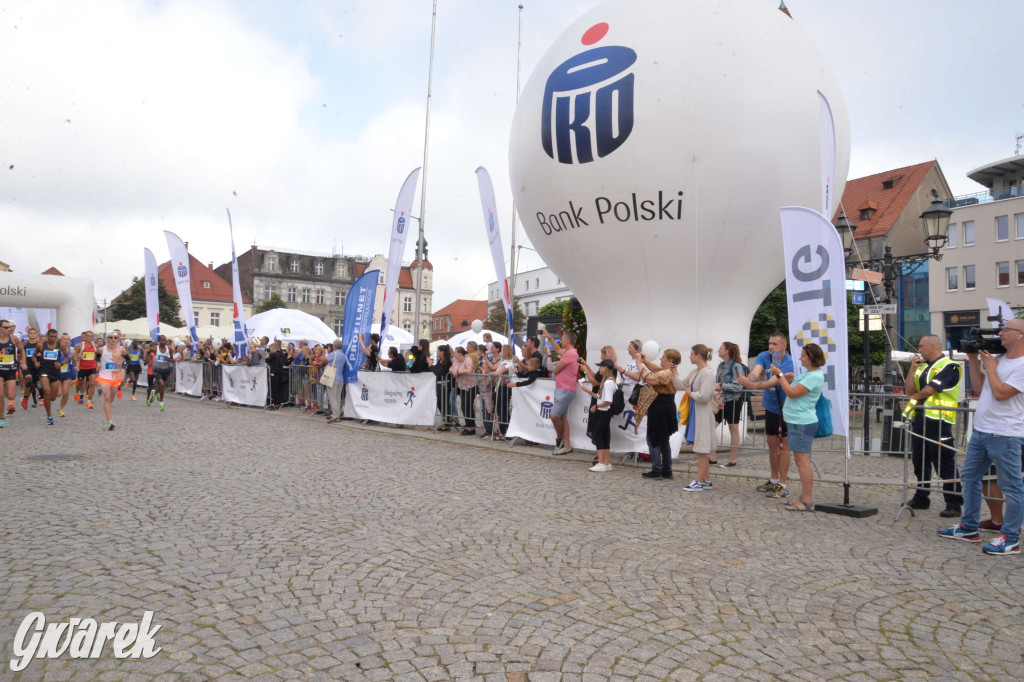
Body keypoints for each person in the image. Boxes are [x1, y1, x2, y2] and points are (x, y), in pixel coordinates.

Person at [938, 319, 1024, 555]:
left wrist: (992, 369)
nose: (1000, 333)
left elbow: (1002, 393)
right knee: (970, 476)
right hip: (982, 430)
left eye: (1006, 330)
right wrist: (974, 362)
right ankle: (969, 527)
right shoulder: (1000, 360)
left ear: (1021, 335)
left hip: (1005, 433)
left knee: (1012, 485)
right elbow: (980, 387)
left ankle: (1010, 537)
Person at [901, 334, 963, 517]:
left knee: (945, 462)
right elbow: (909, 389)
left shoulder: (949, 366)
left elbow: (929, 390)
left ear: (933, 345)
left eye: (921, 346)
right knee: (920, 460)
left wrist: (913, 398)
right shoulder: (924, 367)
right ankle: (922, 497)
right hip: (920, 418)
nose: (918, 350)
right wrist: (912, 369)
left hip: (939, 421)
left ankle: (953, 503)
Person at [738, 331, 794, 498]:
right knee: (771, 443)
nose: (770, 347)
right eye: (769, 343)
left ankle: (783, 483)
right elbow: (757, 371)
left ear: (784, 346)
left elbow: (773, 381)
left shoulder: (788, 363)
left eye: (775, 344)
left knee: (784, 443)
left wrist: (754, 386)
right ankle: (774, 479)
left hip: (786, 407)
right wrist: (750, 379)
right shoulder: (764, 355)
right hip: (771, 405)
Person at [771, 343, 826, 511]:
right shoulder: (808, 374)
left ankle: (807, 500)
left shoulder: (814, 376)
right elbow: (793, 388)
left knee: (803, 462)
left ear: (811, 357)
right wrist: (787, 379)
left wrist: (779, 375)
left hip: (802, 422)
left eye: (803, 355)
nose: (800, 358)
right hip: (796, 421)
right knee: (800, 460)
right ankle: (804, 497)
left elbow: (793, 393)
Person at [637, 349, 682, 479]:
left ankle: (656, 470)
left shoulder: (666, 374)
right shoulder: (670, 371)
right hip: (667, 406)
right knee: (663, 439)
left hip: (660, 408)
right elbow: (656, 368)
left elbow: (648, 378)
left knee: (653, 438)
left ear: (670, 360)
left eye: (663, 357)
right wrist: (645, 361)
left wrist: (639, 363)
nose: (660, 359)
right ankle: (667, 470)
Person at [681, 345, 716, 491]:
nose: (689, 356)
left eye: (691, 354)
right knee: (699, 448)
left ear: (698, 356)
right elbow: (682, 384)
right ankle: (706, 480)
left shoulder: (707, 373)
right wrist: (672, 372)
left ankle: (698, 480)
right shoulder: (695, 371)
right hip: (696, 413)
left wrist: (690, 394)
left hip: (702, 414)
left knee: (701, 450)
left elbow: (704, 396)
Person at [541, 329, 580, 456]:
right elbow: (558, 351)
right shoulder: (570, 353)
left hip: (565, 389)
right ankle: (566, 445)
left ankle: (559, 440)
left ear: (568, 341)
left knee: (554, 416)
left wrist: (554, 366)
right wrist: (549, 337)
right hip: (563, 389)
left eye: (562, 339)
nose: (561, 341)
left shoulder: (570, 354)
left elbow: (555, 370)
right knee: (562, 417)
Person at [714, 342, 747, 468]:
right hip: (720, 402)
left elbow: (738, 385)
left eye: (721, 348)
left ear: (727, 351)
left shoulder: (736, 366)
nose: (718, 350)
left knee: (733, 429)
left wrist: (722, 386)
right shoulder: (720, 366)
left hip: (733, 401)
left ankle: (732, 460)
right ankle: (711, 457)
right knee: (711, 427)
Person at [582, 359, 617, 472]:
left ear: (606, 368)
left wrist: (596, 406)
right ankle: (606, 462)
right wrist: (587, 391)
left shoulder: (607, 383)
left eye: (601, 367)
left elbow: (608, 401)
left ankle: (601, 462)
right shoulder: (609, 381)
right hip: (605, 412)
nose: (599, 369)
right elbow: (600, 397)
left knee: (598, 435)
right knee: (604, 436)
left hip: (604, 412)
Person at [1, 319, 29, 426]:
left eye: (10, 327)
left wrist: (23, 362)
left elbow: (22, 350)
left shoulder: (13, 338)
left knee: (10, 395)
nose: (9, 329)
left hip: (11, 369)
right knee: (0, 394)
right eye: (6, 327)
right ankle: (1, 417)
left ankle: (10, 405)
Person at [32, 328, 62, 425]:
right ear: (47, 336)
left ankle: (46, 398)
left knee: (52, 397)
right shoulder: (41, 345)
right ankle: (49, 416)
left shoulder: (60, 346)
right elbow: (33, 356)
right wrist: (36, 362)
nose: (53, 338)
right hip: (43, 370)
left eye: (55, 337)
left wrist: (60, 363)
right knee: (47, 391)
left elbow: (67, 357)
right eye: (51, 336)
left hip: (55, 372)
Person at [96, 331, 126, 430]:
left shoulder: (121, 350)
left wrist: (122, 364)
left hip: (115, 377)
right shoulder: (101, 350)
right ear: (107, 339)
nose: (113, 339)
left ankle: (107, 407)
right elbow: (96, 356)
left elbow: (128, 358)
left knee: (110, 399)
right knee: (107, 397)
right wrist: (98, 364)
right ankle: (110, 421)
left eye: (115, 337)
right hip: (104, 376)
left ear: (118, 339)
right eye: (110, 337)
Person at [490, 343, 517, 440]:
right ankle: (503, 430)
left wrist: (491, 373)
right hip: (500, 387)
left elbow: (497, 372)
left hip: (505, 387)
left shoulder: (508, 362)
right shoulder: (504, 361)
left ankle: (505, 430)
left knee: (503, 409)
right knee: (500, 409)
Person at [451, 346, 477, 435]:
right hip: (461, 385)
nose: (454, 354)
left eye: (455, 352)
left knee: (468, 406)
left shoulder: (468, 359)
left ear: (460, 353)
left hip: (470, 386)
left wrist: (458, 372)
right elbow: (451, 368)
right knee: (463, 407)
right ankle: (469, 426)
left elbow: (469, 369)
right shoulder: (456, 361)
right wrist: (453, 370)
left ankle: (471, 428)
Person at [323, 338, 349, 423]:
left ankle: (335, 415)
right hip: (340, 377)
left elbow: (324, 360)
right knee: (337, 397)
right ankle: (337, 415)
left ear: (334, 346)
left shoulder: (333, 354)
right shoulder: (343, 355)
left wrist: (326, 352)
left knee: (332, 397)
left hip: (332, 377)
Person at [432, 345, 455, 431]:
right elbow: (436, 369)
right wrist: (431, 366)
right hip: (439, 384)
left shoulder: (447, 362)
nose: (437, 353)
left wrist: (431, 366)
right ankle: (446, 419)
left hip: (445, 384)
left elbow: (439, 372)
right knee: (439, 403)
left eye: (438, 351)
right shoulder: (440, 361)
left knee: (444, 403)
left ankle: (447, 422)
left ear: (442, 352)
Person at [74, 330, 99, 409]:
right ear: (85, 337)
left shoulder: (95, 346)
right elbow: (74, 355)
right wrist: (78, 357)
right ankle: (77, 392)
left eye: (91, 336)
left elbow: (97, 356)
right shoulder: (80, 346)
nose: (89, 338)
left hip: (92, 368)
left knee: (92, 383)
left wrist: (98, 364)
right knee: (80, 383)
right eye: (87, 336)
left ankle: (89, 401)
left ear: (92, 337)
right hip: (82, 368)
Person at [57, 334, 78, 418]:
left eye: (68, 339)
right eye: (64, 339)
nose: (66, 341)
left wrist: (76, 366)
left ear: (70, 341)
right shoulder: (56, 350)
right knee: (59, 393)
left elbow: (76, 361)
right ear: (61, 341)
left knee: (65, 392)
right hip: (57, 373)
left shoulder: (72, 351)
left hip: (67, 373)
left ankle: (61, 409)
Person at [150, 335, 173, 411]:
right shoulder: (155, 348)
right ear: (159, 341)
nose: (163, 341)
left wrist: (169, 359)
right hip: (157, 369)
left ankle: (154, 394)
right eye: (162, 340)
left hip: (166, 369)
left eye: (164, 340)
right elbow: (148, 351)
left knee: (161, 386)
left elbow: (172, 359)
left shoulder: (169, 349)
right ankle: (161, 403)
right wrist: (147, 359)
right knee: (162, 384)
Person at [21, 327, 41, 409]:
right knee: (29, 381)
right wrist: (22, 363)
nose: (32, 334)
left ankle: (31, 399)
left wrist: (40, 360)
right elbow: (20, 356)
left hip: (37, 367)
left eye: (34, 333)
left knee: (36, 384)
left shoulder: (39, 345)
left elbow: (44, 357)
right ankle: (26, 400)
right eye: (31, 333)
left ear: (37, 335)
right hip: (27, 367)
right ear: (28, 335)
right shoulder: (24, 346)